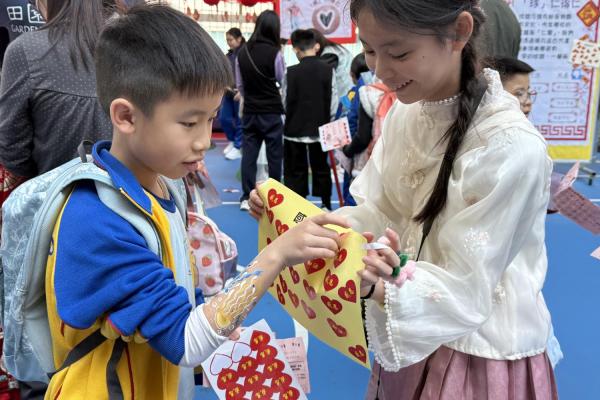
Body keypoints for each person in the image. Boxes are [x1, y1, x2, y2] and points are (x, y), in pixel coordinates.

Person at [249, 0, 558, 398]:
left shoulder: (511, 147)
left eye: (398, 53)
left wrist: (388, 286)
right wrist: (298, 220)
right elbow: (379, 211)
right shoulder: (406, 113)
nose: (380, 69)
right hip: (409, 329)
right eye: (369, 50)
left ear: (459, 32)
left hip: (478, 353)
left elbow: (469, 288)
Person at [44, 5, 349, 399]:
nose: (205, 140)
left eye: (211, 118)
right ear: (126, 116)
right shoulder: (98, 218)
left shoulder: (161, 184)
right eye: (189, 123)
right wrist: (275, 256)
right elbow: (184, 341)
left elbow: (173, 305)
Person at [0, 1, 116, 397]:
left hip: (50, 234)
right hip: (134, 226)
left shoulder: (27, 52)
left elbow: (12, 153)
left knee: (45, 354)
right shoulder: (140, 43)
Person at [0, 0, 114, 181]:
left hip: (53, 191)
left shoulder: (25, 51)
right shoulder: (135, 45)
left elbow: (12, 151)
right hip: (128, 192)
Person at [236, 10, 285, 211]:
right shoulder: (275, 53)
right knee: (275, 156)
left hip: (250, 110)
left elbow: (240, 85)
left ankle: (246, 197)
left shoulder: (242, 52)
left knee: (249, 155)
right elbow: (282, 80)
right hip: (271, 111)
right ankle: (275, 198)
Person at [283, 29, 336, 210]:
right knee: (321, 167)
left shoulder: (290, 72)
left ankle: (299, 205)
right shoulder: (328, 70)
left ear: (296, 50)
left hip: (294, 129)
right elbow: (333, 101)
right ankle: (326, 203)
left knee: (295, 169)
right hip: (321, 129)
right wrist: (328, 119)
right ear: (316, 46)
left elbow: (284, 100)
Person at [220, 27, 245, 160]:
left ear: (239, 39)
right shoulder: (228, 55)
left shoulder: (245, 54)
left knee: (241, 121)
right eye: (227, 40)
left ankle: (238, 146)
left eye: (231, 39)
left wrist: (242, 91)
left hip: (241, 93)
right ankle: (232, 140)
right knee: (224, 118)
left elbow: (248, 73)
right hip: (228, 92)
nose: (228, 42)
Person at [310, 28, 354, 102]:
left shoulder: (329, 54)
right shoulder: (334, 49)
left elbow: (320, 77)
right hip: (349, 90)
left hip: (345, 92)